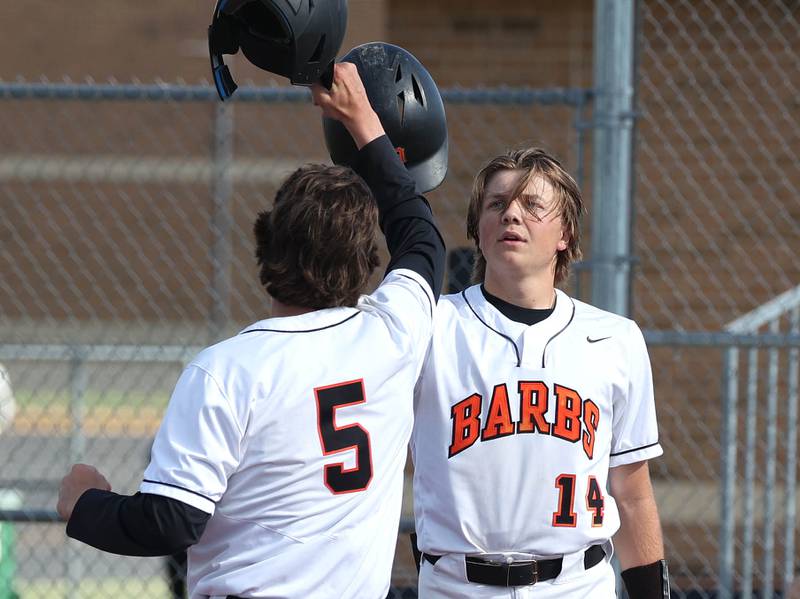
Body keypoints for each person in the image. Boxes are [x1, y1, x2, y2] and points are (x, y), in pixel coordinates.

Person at [56, 61, 445, 599]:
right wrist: (365, 125)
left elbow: (170, 521)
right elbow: (420, 236)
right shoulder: (391, 337)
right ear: (364, 264)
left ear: (266, 245)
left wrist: (85, 504)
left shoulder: (225, 371)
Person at [410, 147, 668, 598]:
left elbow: (631, 493)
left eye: (532, 205)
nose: (512, 214)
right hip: (455, 586)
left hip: (575, 585)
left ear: (564, 232)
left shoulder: (615, 339)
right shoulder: (431, 326)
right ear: (478, 229)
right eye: (497, 204)